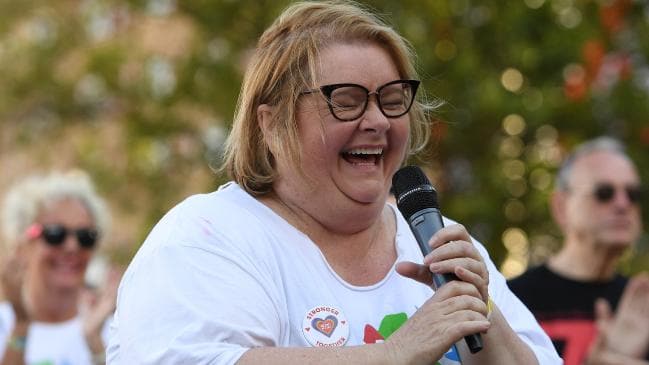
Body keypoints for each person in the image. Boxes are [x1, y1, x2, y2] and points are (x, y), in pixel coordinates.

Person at [107, 1, 560, 364]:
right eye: (346, 101)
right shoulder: (208, 236)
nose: (378, 120)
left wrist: (482, 312)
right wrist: (392, 354)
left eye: (391, 99)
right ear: (271, 124)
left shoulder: (446, 249)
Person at [508, 136, 649, 365]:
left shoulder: (641, 308)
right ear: (561, 207)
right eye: (604, 193)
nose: (623, 204)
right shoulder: (512, 301)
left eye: (633, 194)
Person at [0, 170, 119, 365]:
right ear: (21, 244)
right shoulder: (4, 325)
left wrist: (96, 346)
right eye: (55, 234)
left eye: (85, 237)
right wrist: (21, 324)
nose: (72, 247)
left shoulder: (113, 330)